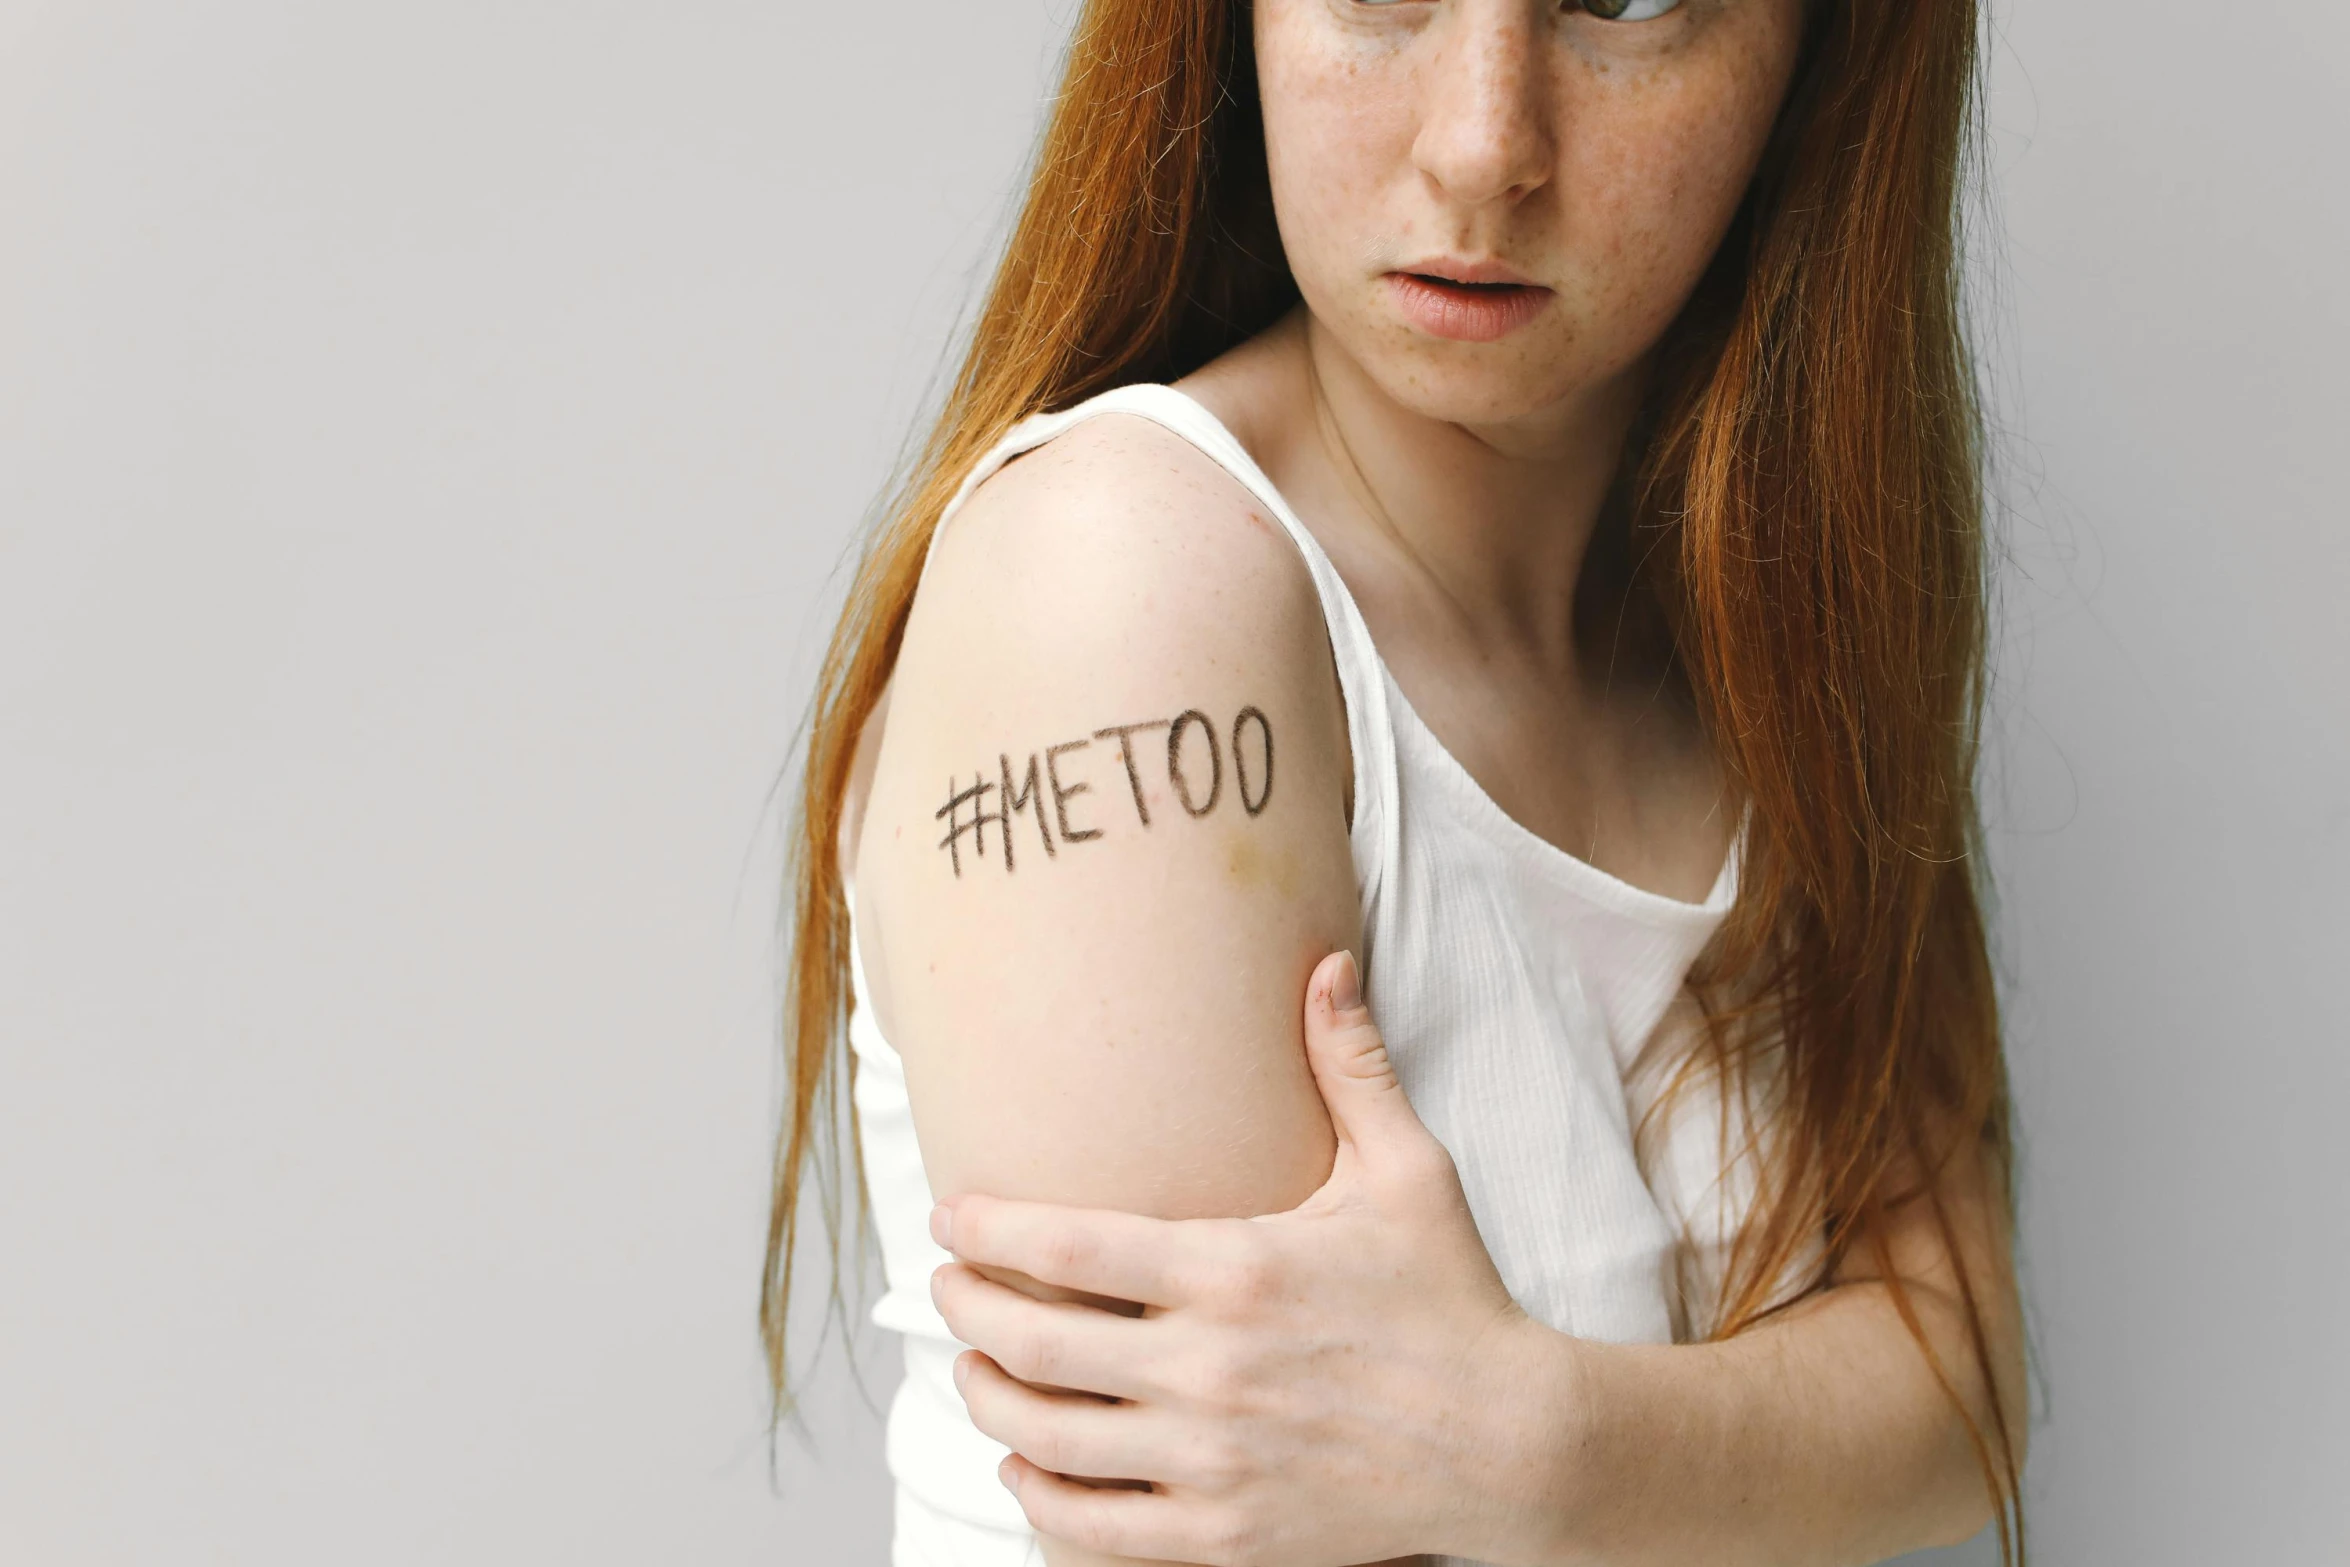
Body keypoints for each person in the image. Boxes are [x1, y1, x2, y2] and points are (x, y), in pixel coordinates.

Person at [767, 1, 2027, 1564]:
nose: (1483, 145)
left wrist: (1531, 1447)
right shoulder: (1126, 585)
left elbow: (1960, 1379)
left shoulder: (1767, 620)